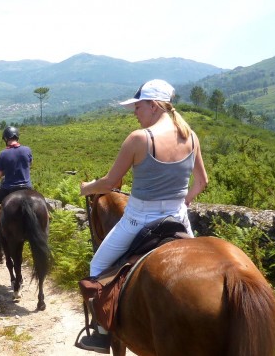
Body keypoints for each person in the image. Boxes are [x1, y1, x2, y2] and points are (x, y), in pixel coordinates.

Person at [75, 79, 208, 353]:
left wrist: (87, 188)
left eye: (138, 106)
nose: (135, 111)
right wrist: (183, 201)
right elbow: (201, 182)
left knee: (97, 268)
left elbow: (112, 183)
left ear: (154, 105)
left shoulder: (139, 139)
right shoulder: (191, 137)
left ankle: (101, 335)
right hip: (178, 219)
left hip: (139, 220)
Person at [0, 126, 33, 246]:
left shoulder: (3, 154)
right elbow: (30, 164)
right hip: (27, 187)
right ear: (17, 137)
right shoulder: (27, 150)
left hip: (9, 188)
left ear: (6, 139)